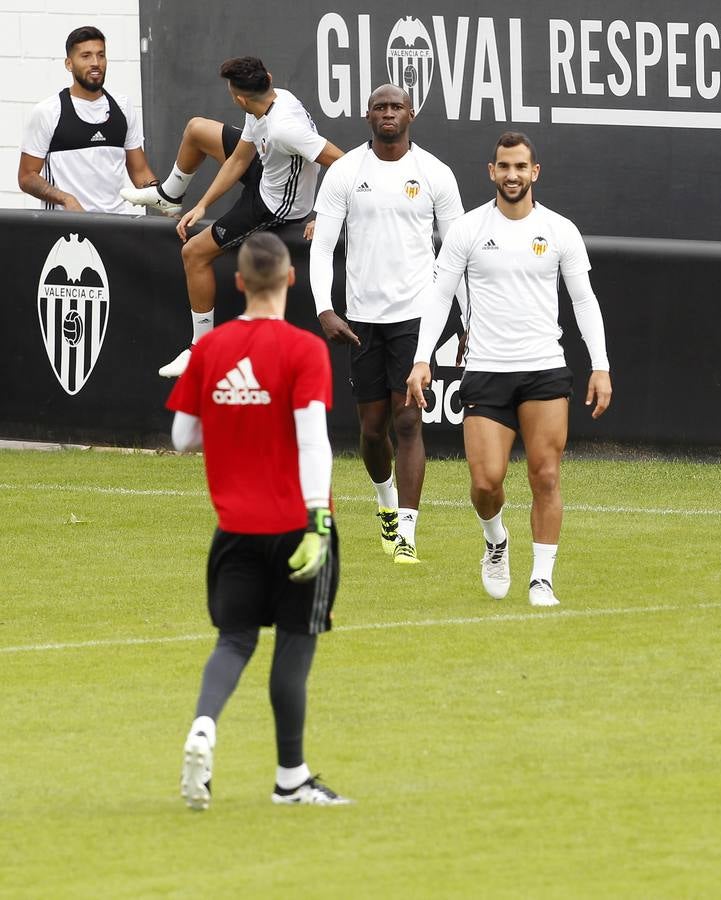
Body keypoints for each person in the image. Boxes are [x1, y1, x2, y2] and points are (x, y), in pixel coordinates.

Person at [166, 232, 348, 810]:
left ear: (238, 282)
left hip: (235, 530)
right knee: (294, 646)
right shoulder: (303, 350)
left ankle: (203, 727)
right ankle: (290, 778)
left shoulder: (211, 349)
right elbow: (312, 440)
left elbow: (180, 439)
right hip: (296, 527)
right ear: (290, 280)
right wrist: (319, 522)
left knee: (235, 639)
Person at [406, 131, 612, 608]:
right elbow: (439, 296)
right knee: (485, 482)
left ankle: (542, 579)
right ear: (492, 172)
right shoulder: (468, 230)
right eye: (505, 166)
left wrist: (600, 366)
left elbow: (584, 301)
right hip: (485, 370)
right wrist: (422, 358)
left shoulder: (561, 230)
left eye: (521, 166)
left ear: (534, 172)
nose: (513, 174)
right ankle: (496, 540)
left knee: (545, 475)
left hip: (544, 370)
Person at [309, 84, 465, 564]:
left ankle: (407, 536)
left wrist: (468, 318)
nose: (389, 114)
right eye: (381, 107)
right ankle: (386, 508)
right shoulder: (345, 172)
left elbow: (458, 251)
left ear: (411, 114)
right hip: (362, 320)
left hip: (417, 317)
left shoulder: (435, 173)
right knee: (373, 430)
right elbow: (321, 245)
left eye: (397, 106)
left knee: (407, 420)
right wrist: (324, 308)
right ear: (368, 115)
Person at [123, 56, 343, 378]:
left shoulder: (284, 128)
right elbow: (240, 159)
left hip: (275, 207)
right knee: (197, 129)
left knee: (193, 252)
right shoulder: (266, 101)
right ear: (267, 78)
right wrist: (202, 204)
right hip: (266, 173)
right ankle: (170, 196)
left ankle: (200, 349)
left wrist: (324, 215)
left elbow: (342, 162)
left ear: (238, 97)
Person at [18, 26, 164, 213]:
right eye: (86, 56)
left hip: (115, 226)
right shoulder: (48, 111)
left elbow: (140, 171)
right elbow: (26, 177)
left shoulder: (123, 106)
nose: (96, 62)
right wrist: (65, 199)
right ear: (69, 64)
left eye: (100, 55)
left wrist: (164, 203)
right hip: (67, 231)